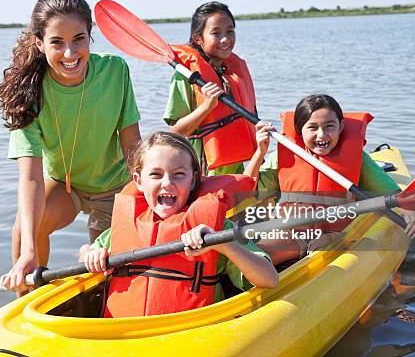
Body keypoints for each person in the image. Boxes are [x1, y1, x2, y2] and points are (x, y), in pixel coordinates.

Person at [0, 0, 141, 294]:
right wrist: (28, 252)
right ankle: (25, 300)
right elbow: (31, 178)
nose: (70, 54)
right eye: (57, 43)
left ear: (90, 36)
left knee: (108, 273)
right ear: (39, 42)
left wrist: (141, 200)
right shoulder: (28, 93)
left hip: (114, 187)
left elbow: (133, 147)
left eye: (79, 39)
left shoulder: (115, 71)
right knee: (25, 228)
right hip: (65, 185)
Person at [80, 131, 278, 318]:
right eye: (156, 174)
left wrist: (221, 244)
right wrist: (90, 253)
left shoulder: (216, 228)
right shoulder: (121, 229)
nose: (167, 183)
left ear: (193, 181)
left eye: (178, 174)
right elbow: (86, 254)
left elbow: (269, 279)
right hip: (125, 331)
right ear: (138, 181)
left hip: (189, 331)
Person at [244, 94, 415, 265]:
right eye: (313, 127)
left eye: (329, 126)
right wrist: (260, 152)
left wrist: (413, 215)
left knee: (320, 253)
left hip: (336, 234)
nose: (322, 135)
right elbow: (248, 191)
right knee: (254, 257)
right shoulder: (281, 157)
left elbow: (396, 195)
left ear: (340, 126)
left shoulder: (358, 160)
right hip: (291, 232)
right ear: (300, 130)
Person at [163, 1, 257, 175]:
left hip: (235, 168)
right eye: (216, 33)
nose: (225, 39)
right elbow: (175, 132)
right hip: (202, 171)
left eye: (230, 31)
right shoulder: (185, 76)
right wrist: (207, 107)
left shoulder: (232, 72)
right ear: (198, 39)